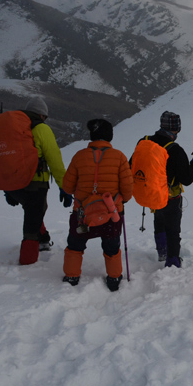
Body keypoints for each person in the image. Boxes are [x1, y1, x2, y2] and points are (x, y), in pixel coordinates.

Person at [61, 119, 134, 291]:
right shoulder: (119, 157)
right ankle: (114, 278)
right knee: (111, 246)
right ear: (110, 136)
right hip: (111, 213)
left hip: (83, 214)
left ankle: (71, 276)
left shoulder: (79, 156)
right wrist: (121, 200)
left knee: (75, 245)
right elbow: (128, 190)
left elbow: (67, 186)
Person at [3, 96, 67, 265]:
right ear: (42, 115)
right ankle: (28, 261)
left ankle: (43, 238)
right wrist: (64, 186)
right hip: (35, 183)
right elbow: (54, 159)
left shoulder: (12, 128)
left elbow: (5, 159)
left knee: (36, 210)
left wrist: (7, 188)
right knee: (33, 217)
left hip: (13, 183)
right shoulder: (41, 129)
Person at [139, 111, 193, 268]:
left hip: (150, 193)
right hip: (171, 196)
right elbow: (187, 179)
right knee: (173, 229)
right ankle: (173, 261)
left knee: (159, 221)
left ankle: (162, 251)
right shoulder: (175, 150)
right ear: (177, 129)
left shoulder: (144, 141)